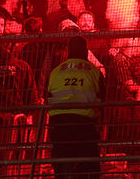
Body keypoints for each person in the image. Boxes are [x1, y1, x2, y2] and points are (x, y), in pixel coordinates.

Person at [46, 36, 104, 179]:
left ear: (68, 51)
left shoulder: (55, 72)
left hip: (59, 126)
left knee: (63, 165)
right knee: (89, 167)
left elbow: (48, 97)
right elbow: (103, 101)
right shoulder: (94, 71)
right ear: (86, 51)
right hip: (84, 127)